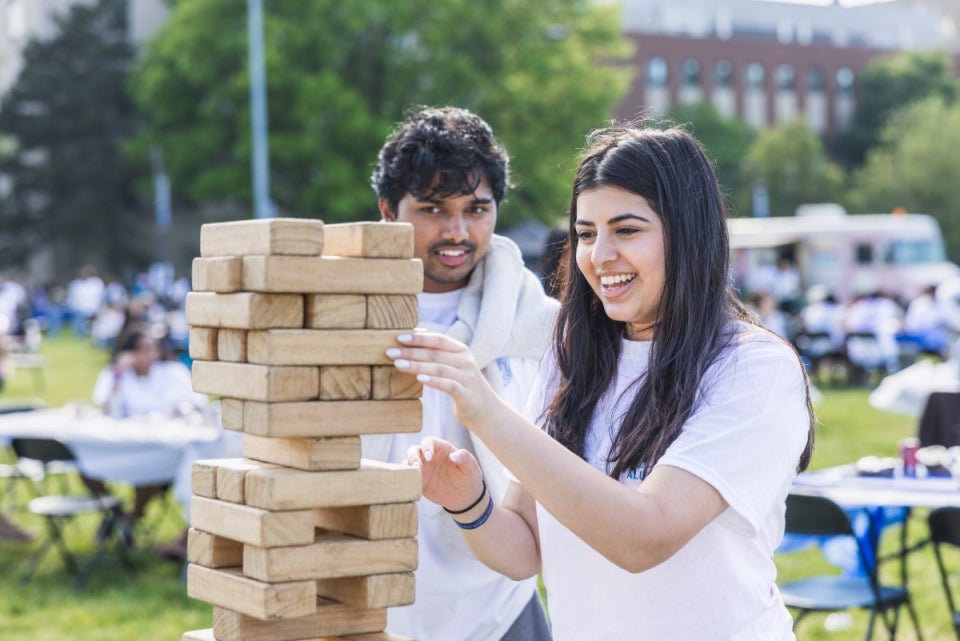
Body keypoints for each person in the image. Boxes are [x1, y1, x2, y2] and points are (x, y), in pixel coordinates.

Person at [387, 123, 815, 640]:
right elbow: (525, 549)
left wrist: (486, 412)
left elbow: (644, 536)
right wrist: (468, 499)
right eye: (586, 233)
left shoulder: (753, 368)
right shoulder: (574, 358)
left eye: (627, 230)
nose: (599, 255)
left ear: (688, 230)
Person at [366, 105, 558, 641]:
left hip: (501, 599)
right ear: (388, 210)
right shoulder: (339, 315)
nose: (457, 231)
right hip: (370, 598)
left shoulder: (541, 326)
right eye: (431, 208)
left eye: (477, 209)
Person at [87, 330, 207, 544]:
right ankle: (116, 513)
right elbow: (105, 407)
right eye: (143, 349)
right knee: (86, 465)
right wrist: (118, 374)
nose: (150, 354)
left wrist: (179, 412)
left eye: (153, 348)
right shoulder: (116, 374)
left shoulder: (172, 372)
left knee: (150, 470)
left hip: (160, 446)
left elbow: (195, 403)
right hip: (121, 444)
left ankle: (131, 518)